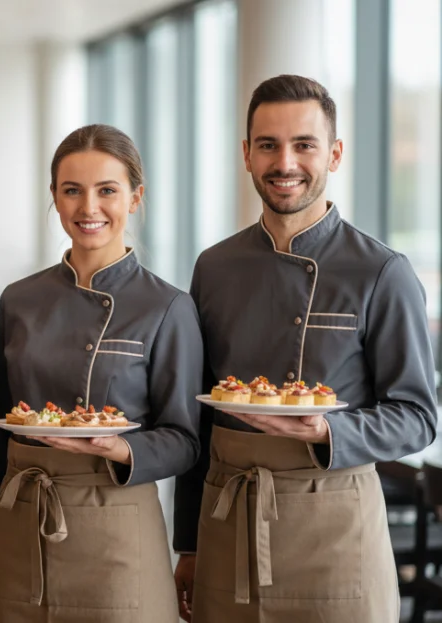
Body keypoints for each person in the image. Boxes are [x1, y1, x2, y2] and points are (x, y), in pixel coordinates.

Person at [173, 74, 437, 623]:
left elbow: (416, 417)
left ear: (335, 154)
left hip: (335, 529)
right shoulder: (214, 267)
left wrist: (329, 431)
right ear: (246, 155)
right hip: (229, 525)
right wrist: (189, 544)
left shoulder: (382, 271)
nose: (284, 162)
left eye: (304, 145)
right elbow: (194, 423)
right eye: (268, 145)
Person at [0, 124, 202, 622]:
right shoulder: (19, 300)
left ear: (136, 198)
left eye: (107, 190)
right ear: (54, 198)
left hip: (116, 530)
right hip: (23, 529)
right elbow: (0, 438)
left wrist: (122, 448)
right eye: (72, 191)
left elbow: (186, 439)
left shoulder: (167, 306)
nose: (88, 208)